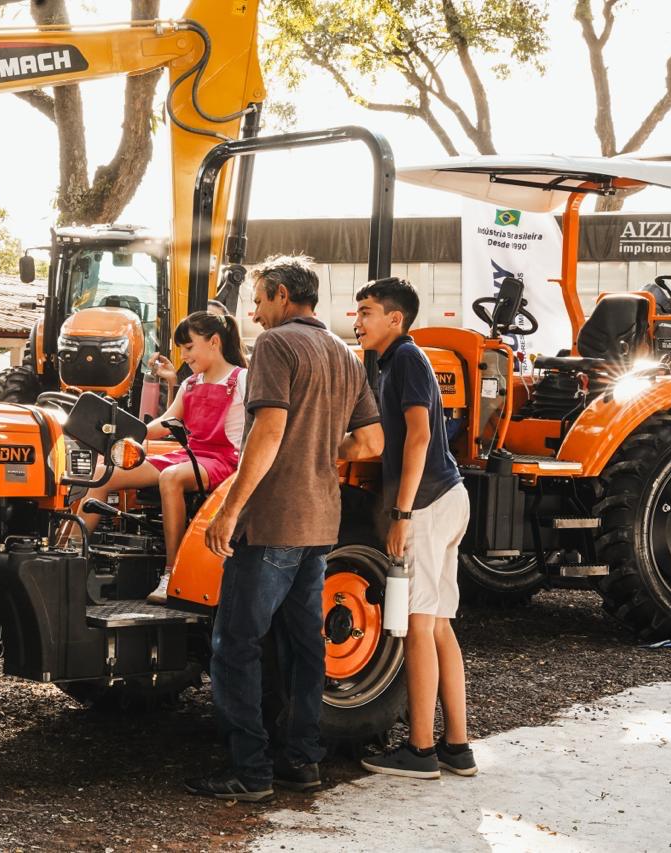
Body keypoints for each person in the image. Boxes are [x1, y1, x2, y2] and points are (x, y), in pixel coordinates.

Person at [188, 255, 383, 802]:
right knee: (305, 648)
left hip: (273, 520)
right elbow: (371, 443)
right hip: (322, 521)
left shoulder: (276, 346)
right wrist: (322, 451)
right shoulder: (346, 355)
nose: (252, 312)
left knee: (235, 645)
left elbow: (268, 430)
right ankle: (302, 761)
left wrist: (230, 510)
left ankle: (249, 772)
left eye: (257, 300)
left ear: (279, 293)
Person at [352, 276, 476, 780]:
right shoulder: (402, 359)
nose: (356, 322)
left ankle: (421, 750)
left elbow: (421, 436)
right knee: (440, 626)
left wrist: (401, 513)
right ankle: (457, 747)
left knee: (420, 629)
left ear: (394, 319)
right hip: (449, 497)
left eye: (365, 312)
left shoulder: (404, 358)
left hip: (426, 505)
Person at [75, 311, 248, 602]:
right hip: (189, 456)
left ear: (214, 342)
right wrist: (121, 432)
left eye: (189, 347)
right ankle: (71, 558)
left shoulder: (240, 379)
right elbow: (164, 423)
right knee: (104, 471)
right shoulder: (192, 383)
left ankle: (171, 572)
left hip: (221, 461)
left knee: (170, 478)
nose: (185, 355)